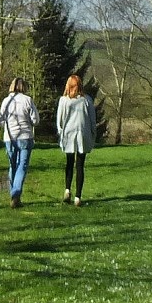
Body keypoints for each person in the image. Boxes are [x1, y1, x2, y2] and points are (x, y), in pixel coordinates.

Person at [55, 73, 96, 207]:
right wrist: (93, 135)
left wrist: (61, 133)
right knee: (80, 165)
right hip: (83, 134)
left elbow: (59, 121)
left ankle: (67, 189)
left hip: (69, 134)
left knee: (69, 162)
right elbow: (92, 120)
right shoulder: (87, 100)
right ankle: (78, 196)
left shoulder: (64, 100)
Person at [0, 76, 38, 207]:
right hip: (25, 136)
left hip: (10, 137)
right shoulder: (27, 100)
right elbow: (35, 120)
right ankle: (16, 194)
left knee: (12, 165)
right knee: (22, 165)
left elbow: (1, 120)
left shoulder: (6, 101)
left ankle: (13, 194)